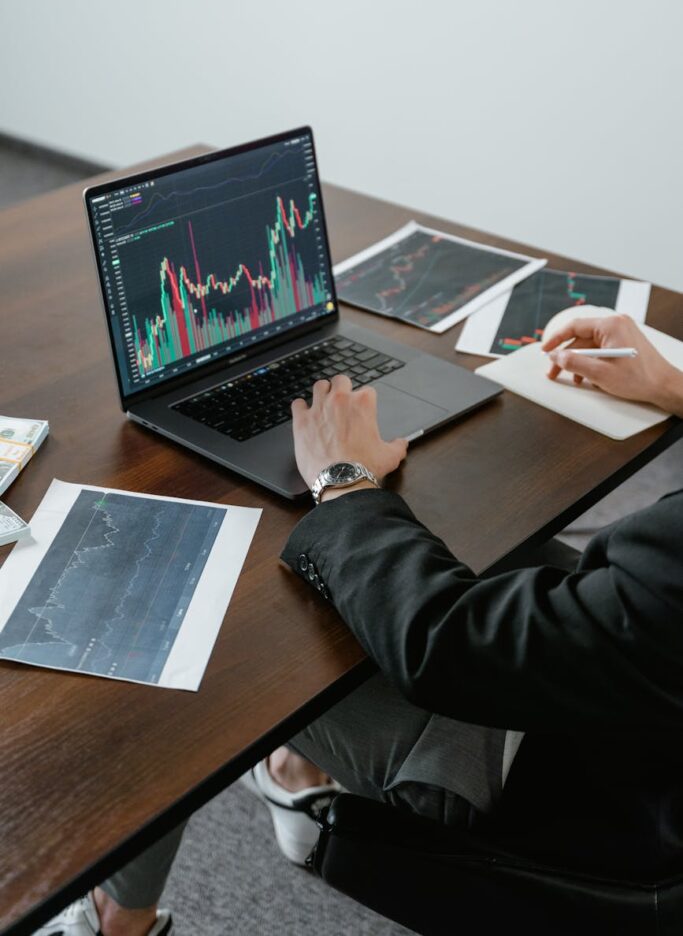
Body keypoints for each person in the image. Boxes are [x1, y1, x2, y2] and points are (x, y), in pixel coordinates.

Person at [38, 314, 683, 936]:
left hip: (580, 789)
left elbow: (449, 646)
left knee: (186, 599)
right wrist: (670, 384)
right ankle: (298, 775)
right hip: (624, 707)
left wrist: (343, 480)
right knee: (429, 528)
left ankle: (116, 922)